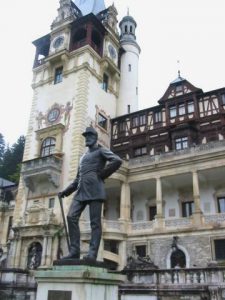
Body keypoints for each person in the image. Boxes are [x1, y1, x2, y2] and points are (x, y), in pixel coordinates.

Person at [58, 126, 122, 261]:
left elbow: (117, 160)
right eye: (86, 136)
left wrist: (102, 174)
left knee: (95, 223)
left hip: (95, 190)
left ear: (95, 137)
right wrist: (66, 191)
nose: (87, 138)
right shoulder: (83, 157)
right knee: (71, 217)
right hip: (81, 190)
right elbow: (77, 179)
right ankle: (74, 251)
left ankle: (92, 254)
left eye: (89, 136)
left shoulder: (101, 150)